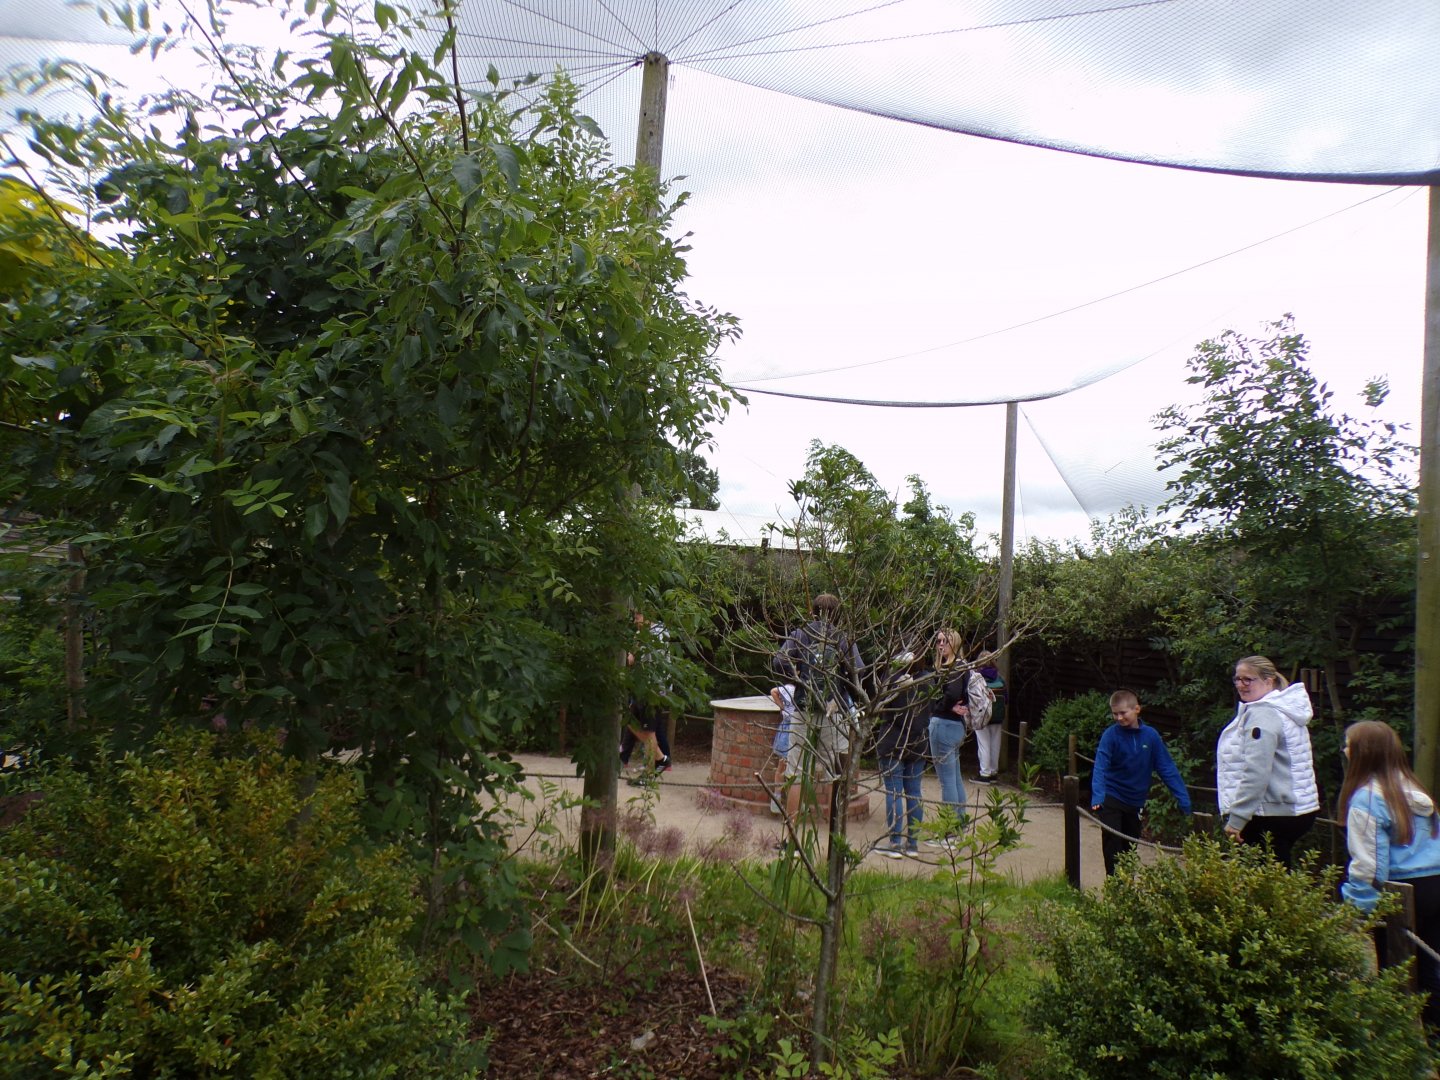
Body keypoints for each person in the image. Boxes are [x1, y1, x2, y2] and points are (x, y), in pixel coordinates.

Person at [1338, 720, 1440, 1027]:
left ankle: (1400, 1045)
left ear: (1361, 753)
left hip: (1400, 892)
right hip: (1435, 886)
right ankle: (1434, 1041)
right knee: (1429, 968)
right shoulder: (1415, 790)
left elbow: (1370, 865)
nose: (1344, 750)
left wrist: (1357, 909)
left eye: (1348, 744)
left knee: (1394, 970)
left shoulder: (1367, 799)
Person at [772, 593, 864, 837]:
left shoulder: (800, 635)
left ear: (812, 611)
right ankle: (837, 837)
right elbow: (858, 674)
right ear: (837, 615)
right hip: (835, 713)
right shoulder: (843, 639)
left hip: (803, 710)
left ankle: (790, 838)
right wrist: (844, 692)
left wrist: (798, 680)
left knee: (795, 772)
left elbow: (778, 662)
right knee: (838, 773)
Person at [1215, 654, 1319, 866]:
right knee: (1279, 874)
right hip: (1298, 808)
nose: (1241, 685)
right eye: (1237, 679)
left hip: (1272, 813)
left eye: (1248, 679)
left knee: (1264, 884)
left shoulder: (1263, 715)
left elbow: (1256, 771)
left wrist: (1237, 819)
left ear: (1268, 681)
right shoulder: (1285, 709)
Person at [1089, 688, 1192, 876]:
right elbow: (1100, 766)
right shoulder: (1110, 735)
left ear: (1137, 709)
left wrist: (1183, 798)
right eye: (1115, 714)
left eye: (1123, 713)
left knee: (1130, 846)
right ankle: (1115, 887)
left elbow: (1166, 768)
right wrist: (1098, 796)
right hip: (1112, 797)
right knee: (1112, 842)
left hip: (1135, 800)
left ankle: (1127, 885)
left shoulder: (1150, 736)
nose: (1119, 718)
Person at [926, 628, 990, 839]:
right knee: (954, 778)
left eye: (946, 641)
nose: (941, 644)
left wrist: (943, 706)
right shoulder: (962, 666)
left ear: (955, 643)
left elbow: (952, 693)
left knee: (946, 781)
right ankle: (960, 823)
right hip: (955, 727)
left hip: (944, 725)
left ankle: (950, 830)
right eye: (938, 641)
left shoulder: (953, 668)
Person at [871, 652, 928, 858]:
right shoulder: (928, 679)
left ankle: (895, 843)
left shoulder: (891, 681)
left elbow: (882, 707)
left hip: (893, 742)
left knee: (894, 792)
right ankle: (912, 844)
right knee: (914, 793)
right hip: (919, 743)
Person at [620, 612, 673, 781]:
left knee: (648, 731)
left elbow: (631, 660)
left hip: (651, 689)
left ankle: (649, 774)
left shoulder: (649, 634)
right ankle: (661, 759)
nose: (635, 621)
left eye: (637, 617)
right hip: (649, 687)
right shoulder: (654, 632)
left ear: (648, 616)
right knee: (631, 722)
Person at [767, 682, 797, 815]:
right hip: (789, 728)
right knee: (783, 765)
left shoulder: (792, 689)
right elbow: (773, 691)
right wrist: (782, 707)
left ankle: (792, 801)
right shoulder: (791, 689)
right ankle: (777, 800)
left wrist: (782, 707)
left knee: (791, 766)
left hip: (793, 728)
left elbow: (774, 691)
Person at [974, 662, 1006, 783]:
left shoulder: (977, 678)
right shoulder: (1000, 678)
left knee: (984, 744)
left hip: (982, 716)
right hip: (998, 717)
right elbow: (1006, 698)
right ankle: (993, 772)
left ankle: (984, 774)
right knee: (995, 744)